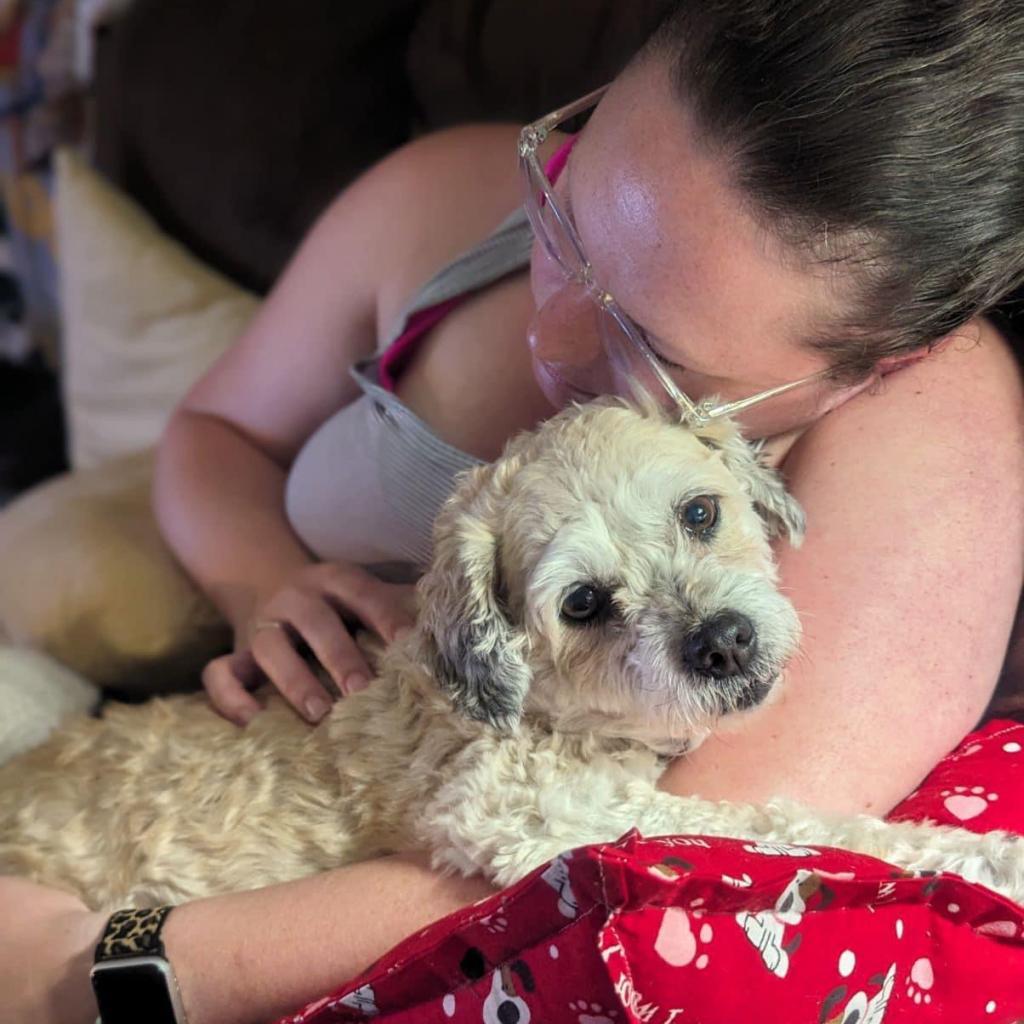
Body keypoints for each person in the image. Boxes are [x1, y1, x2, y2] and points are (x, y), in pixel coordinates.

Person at [6, 2, 1024, 1021]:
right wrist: (260, 580)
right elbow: (218, 430)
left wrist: (94, 969)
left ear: (870, 366)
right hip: (159, 768)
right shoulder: (444, 189)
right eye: (566, 213)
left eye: (660, 351)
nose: (549, 331)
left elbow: (648, 862)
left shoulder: (934, 434)